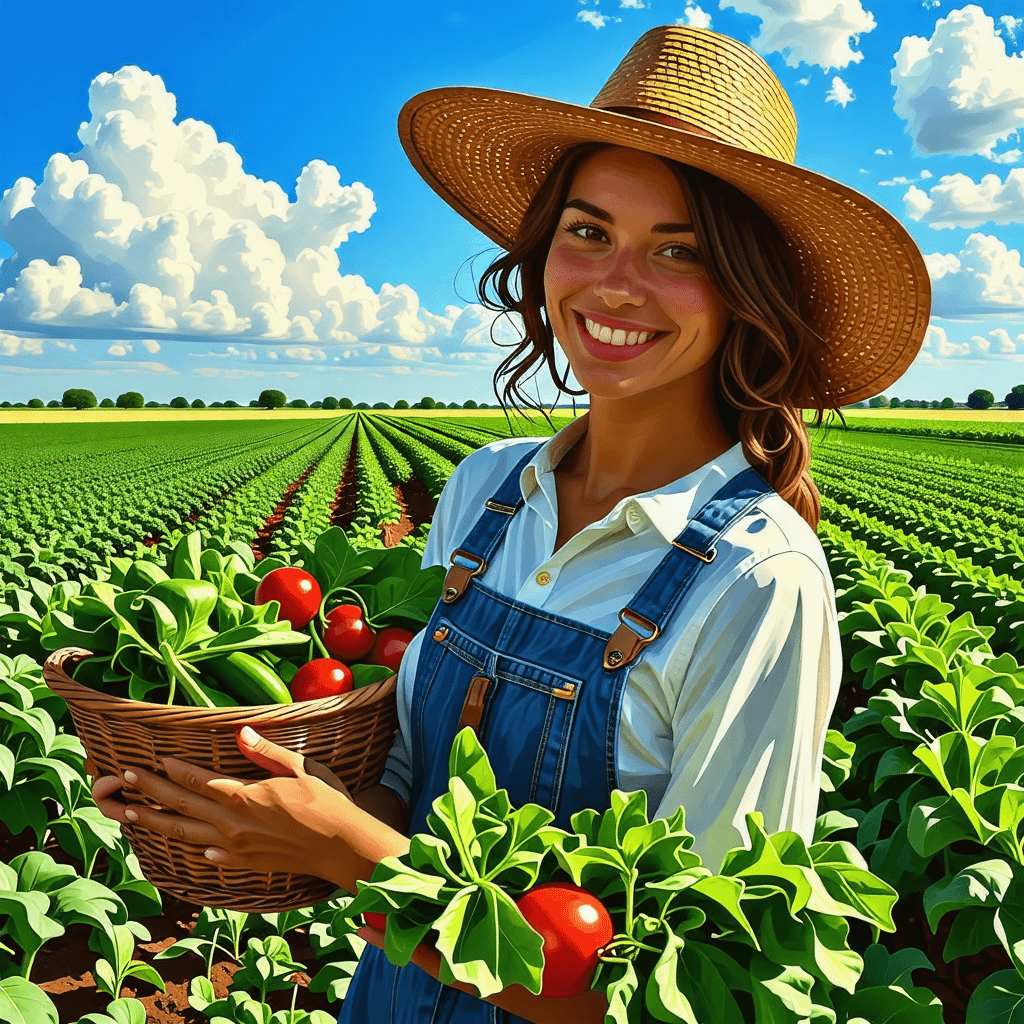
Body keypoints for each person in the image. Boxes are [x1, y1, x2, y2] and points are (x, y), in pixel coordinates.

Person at [91, 22, 930, 1024]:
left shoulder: (758, 579)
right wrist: (249, 807)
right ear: (540, 254)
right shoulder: (485, 493)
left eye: (679, 250)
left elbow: (698, 989)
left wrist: (353, 857)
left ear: (746, 296)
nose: (616, 281)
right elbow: (410, 771)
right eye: (587, 231)